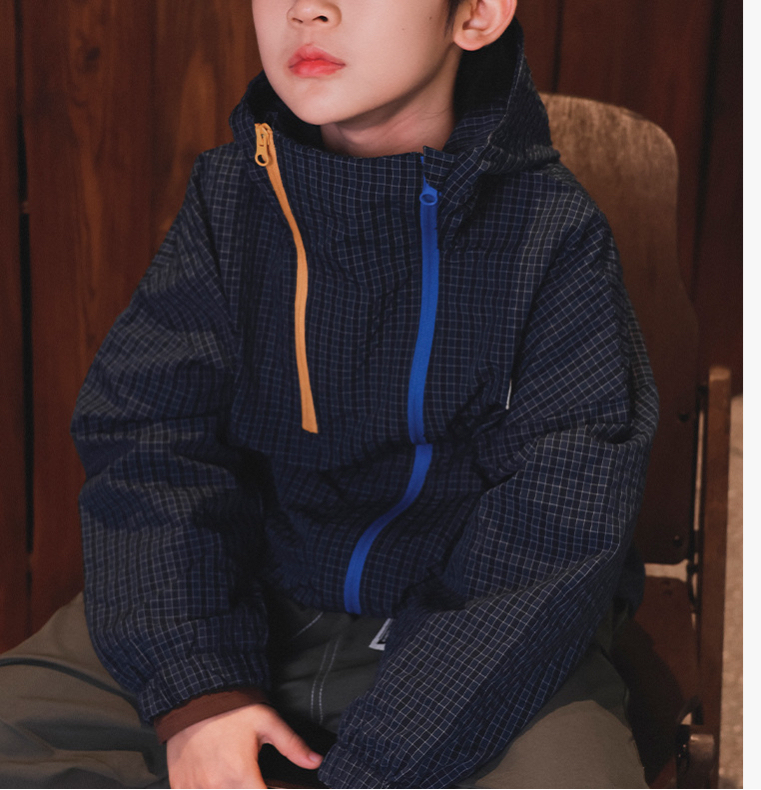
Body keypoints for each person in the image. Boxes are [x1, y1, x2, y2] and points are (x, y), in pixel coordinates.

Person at [0, 0, 659, 787]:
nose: (308, 9)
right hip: (236, 599)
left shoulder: (555, 237)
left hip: (469, 643)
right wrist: (200, 694)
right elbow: (150, 443)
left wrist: (376, 769)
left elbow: (556, 530)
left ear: (477, 14)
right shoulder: (228, 202)